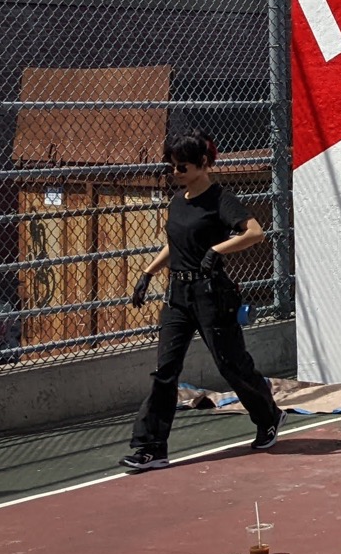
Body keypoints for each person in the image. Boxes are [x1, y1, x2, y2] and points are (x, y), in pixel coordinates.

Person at [120, 130, 280, 471]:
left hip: (212, 295)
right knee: (165, 370)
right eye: (171, 166)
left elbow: (254, 232)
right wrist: (147, 273)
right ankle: (151, 448)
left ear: (203, 164)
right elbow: (175, 244)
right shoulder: (179, 201)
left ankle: (268, 415)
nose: (175, 172)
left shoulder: (221, 198)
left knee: (231, 364)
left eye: (182, 167)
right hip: (178, 296)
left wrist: (216, 250)